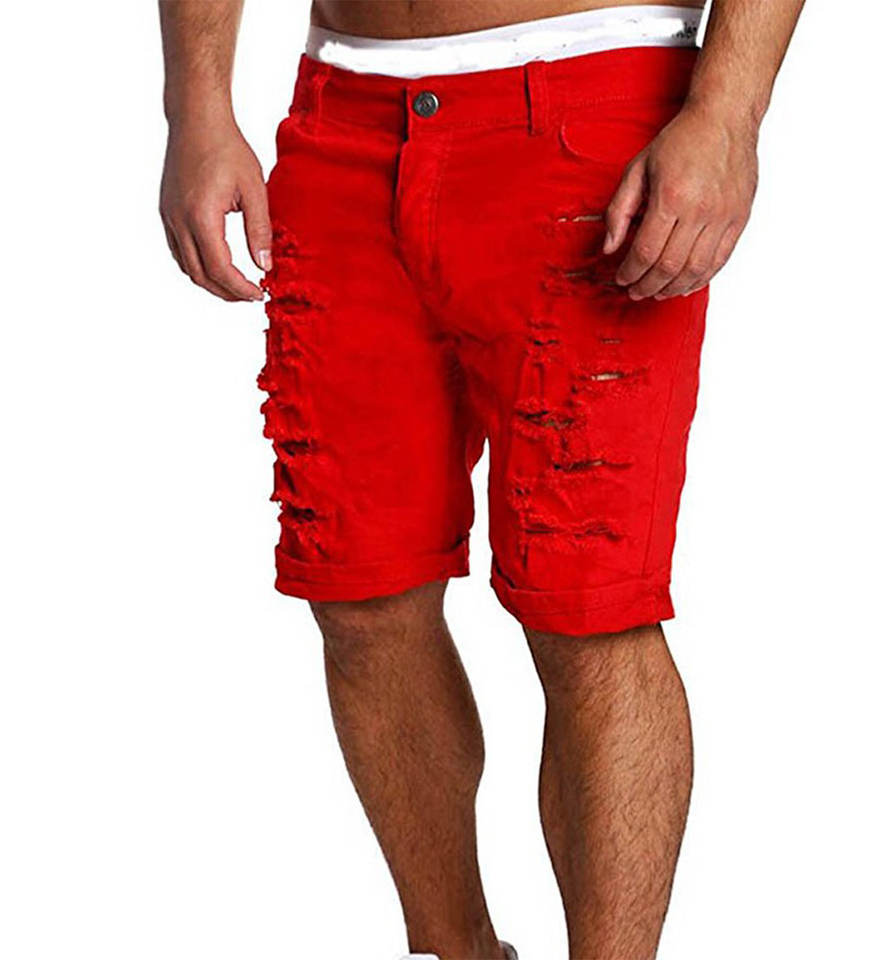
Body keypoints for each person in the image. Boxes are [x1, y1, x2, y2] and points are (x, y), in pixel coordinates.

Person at [158, 1, 803, 957]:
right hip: (344, 125)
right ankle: (455, 948)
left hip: (594, 110)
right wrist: (197, 104)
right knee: (361, 593)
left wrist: (728, 112)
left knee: (589, 610)